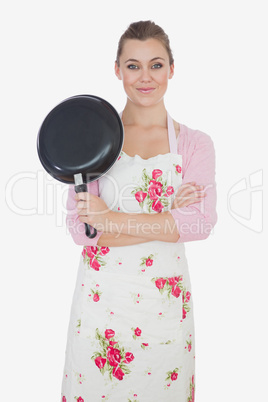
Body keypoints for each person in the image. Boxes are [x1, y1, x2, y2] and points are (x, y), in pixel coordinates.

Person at [61, 20, 217, 401]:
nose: (145, 77)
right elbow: (81, 232)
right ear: (117, 70)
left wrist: (109, 218)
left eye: (156, 64)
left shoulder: (194, 144)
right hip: (102, 305)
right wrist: (167, 218)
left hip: (163, 307)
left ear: (172, 69)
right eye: (133, 65)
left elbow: (199, 223)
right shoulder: (92, 140)